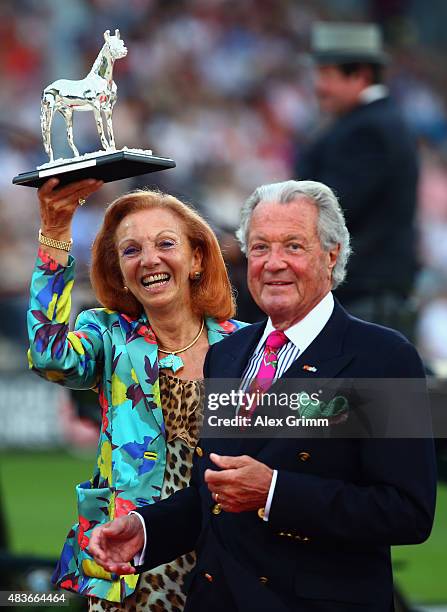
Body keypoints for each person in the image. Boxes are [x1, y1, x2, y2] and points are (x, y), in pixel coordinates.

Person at [88, 179, 436, 612]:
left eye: (293, 246)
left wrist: (274, 493)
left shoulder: (382, 358)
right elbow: (212, 492)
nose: (273, 264)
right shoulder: (228, 355)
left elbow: (408, 512)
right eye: (259, 248)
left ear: (331, 255)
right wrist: (146, 530)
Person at [27, 177, 246, 610]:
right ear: (120, 272)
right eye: (131, 250)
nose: (149, 260)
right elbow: (49, 356)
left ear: (197, 257)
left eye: (165, 243)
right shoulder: (106, 334)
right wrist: (54, 234)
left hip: (225, 559)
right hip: (128, 566)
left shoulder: (245, 345)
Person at [297, 22, 419, 337]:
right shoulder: (374, 123)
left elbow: (329, 209)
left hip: (360, 295)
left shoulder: (367, 131)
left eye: (326, 75)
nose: (318, 86)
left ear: (360, 75)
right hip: (368, 294)